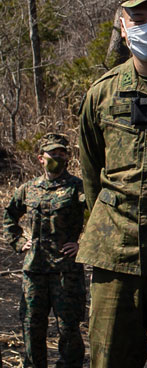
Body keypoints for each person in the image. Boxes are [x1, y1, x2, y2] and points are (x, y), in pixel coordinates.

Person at [77, 0, 147, 368]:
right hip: (115, 259)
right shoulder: (102, 94)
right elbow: (92, 174)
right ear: (122, 25)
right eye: (137, 18)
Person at [4, 133, 87, 368]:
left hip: (66, 271)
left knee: (68, 328)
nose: (59, 158)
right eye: (54, 154)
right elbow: (9, 215)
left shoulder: (77, 187)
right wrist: (19, 242)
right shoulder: (29, 189)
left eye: (63, 154)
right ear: (41, 158)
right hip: (35, 270)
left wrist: (84, 243)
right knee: (31, 326)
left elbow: (99, 215)